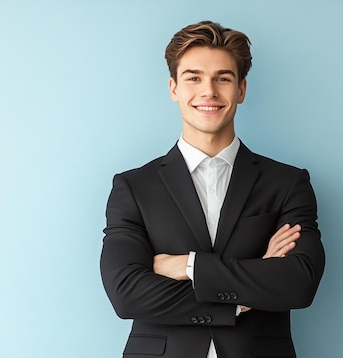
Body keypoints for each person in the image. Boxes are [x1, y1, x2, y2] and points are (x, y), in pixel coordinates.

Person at [100, 20, 325, 358]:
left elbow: (298, 283)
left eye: (223, 78)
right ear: (174, 88)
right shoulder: (133, 187)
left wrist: (187, 266)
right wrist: (246, 291)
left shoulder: (287, 183)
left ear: (241, 90)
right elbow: (126, 293)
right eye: (194, 78)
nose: (209, 91)